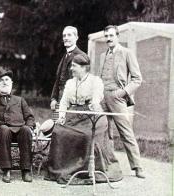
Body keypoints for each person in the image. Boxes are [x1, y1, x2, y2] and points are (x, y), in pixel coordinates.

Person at [45, 54, 123, 184]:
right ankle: (62, 169)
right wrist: (62, 116)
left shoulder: (95, 81)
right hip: (73, 115)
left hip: (91, 115)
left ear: (83, 67)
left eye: (74, 66)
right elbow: (64, 102)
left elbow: (97, 97)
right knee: (59, 131)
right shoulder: (70, 83)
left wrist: (94, 104)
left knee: (87, 135)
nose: (71, 69)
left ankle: (86, 170)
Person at [96, 25, 144, 178]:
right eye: (106, 36)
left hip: (117, 97)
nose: (109, 38)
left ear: (117, 36)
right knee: (104, 131)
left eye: (111, 35)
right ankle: (109, 165)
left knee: (126, 132)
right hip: (102, 97)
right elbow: (99, 77)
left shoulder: (127, 53)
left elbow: (137, 79)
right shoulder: (102, 55)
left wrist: (121, 93)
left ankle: (138, 167)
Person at [0, 70, 35, 183]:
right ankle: (6, 170)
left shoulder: (20, 100)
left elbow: (30, 117)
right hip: (1, 132)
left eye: (7, 80)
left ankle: (26, 170)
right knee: (4, 129)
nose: (4, 82)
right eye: (1, 80)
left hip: (19, 131)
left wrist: (29, 126)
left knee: (25, 130)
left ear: (12, 83)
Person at [50, 26, 87, 110]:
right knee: (58, 122)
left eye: (69, 35)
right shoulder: (64, 56)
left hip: (73, 102)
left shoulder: (82, 56)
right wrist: (54, 98)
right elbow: (58, 79)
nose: (66, 38)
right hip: (60, 99)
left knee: (68, 122)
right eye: (64, 36)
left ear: (76, 38)